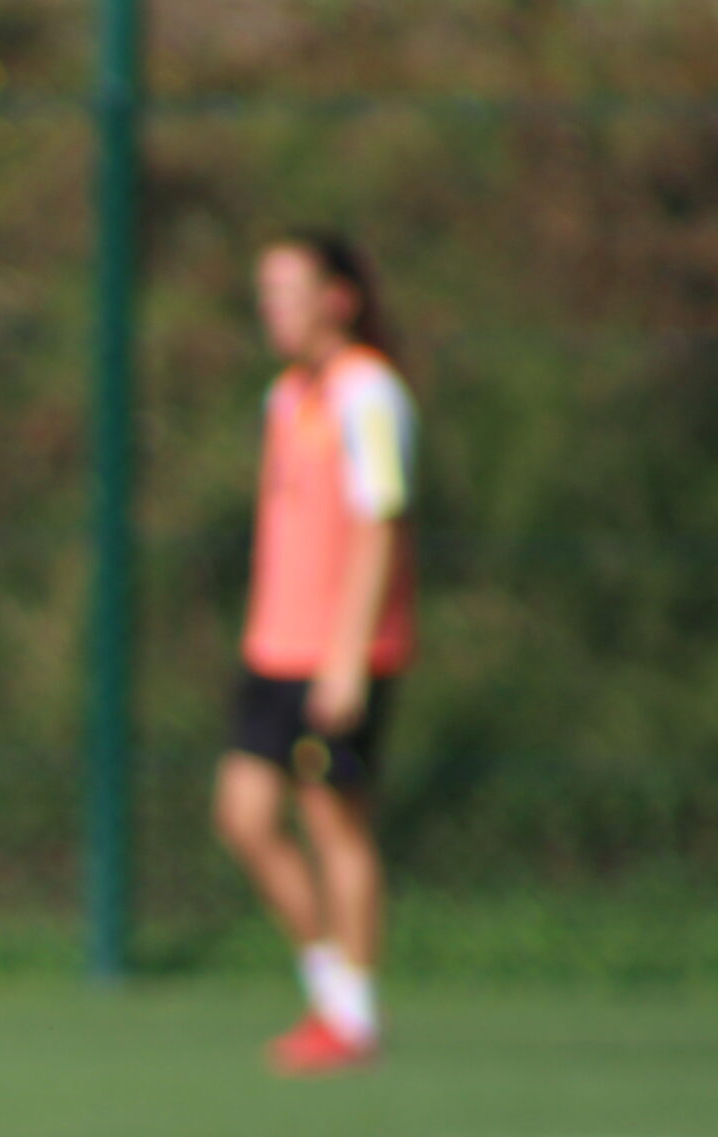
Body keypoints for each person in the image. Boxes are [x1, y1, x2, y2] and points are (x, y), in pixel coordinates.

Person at [214, 232, 416, 1075]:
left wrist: (347, 656)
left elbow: (379, 522)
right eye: (264, 290)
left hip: (342, 651)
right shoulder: (284, 396)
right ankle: (327, 988)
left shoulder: (368, 391)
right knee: (245, 817)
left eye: (288, 289)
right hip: (274, 648)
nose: (272, 308)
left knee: (335, 822)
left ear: (338, 297)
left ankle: (353, 1015)